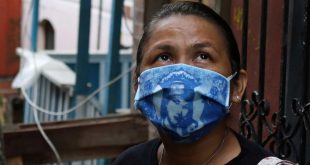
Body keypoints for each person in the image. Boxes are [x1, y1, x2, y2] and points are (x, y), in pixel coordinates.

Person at [113, 1, 277, 165]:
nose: (181, 73)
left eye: (203, 56)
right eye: (164, 57)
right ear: (138, 83)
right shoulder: (129, 161)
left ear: (236, 86)